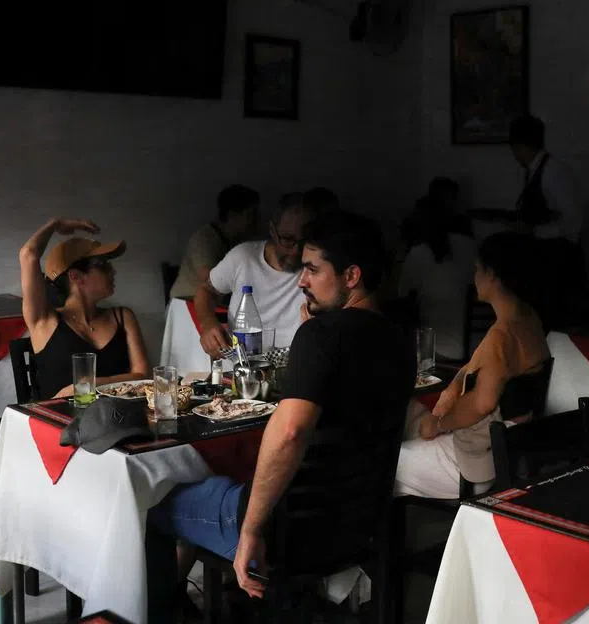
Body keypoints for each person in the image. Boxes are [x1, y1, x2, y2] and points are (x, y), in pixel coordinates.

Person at [144, 212, 414, 621]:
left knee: (151, 506)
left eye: (312, 269)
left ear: (351, 275)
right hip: (359, 518)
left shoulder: (322, 336)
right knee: (222, 480)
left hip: (293, 531)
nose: (301, 280)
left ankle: (169, 614)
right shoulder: (399, 338)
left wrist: (251, 530)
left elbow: (290, 432)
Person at [395, 232, 550, 499]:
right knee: (407, 409)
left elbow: (483, 404)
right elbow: (477, 363)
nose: (474, 276)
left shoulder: (502, 335)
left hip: (473, 465)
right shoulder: (528, 320)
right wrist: (453, 388)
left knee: (378, 461)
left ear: (493, 275)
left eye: (478, 269)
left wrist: (439, 424)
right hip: (504, 450)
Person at [19, 218, 149, 398]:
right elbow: (28, 254)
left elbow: (143, 376)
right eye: (102, 266)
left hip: (116, 418)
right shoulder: (44, 321)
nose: (112, 271)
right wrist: (55, 225)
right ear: (76, 277)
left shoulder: (122, 316)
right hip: (61, 422)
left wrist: (86, 386)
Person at [194, 193, 315, 356]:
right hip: (242, 364)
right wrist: (207, 323)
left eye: (304, 241)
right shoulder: (243, 257)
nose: (295, 251)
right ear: (272, 230)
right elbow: (206, 290)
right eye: (287, 239)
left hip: (293, 365)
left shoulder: (316, 268)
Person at [508, 114, 587, 328]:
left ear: (520, 145)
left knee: (552, 320)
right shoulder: (538, 171)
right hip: (544, 256)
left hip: (555, 259)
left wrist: (535, 228)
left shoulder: (553, 172)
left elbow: (572, 218)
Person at [397, 197, 477, 360]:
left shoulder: (419, 254)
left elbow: (403, 301)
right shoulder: (470, 245)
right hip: (477, 345)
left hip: (436, 350)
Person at [169, 185, 260, 300]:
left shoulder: (238, 242)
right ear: (232, 215)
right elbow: (210, 281)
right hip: (187, 304)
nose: (256, 221)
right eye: (251, 215)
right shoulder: (204, 239)